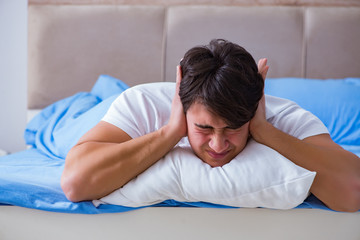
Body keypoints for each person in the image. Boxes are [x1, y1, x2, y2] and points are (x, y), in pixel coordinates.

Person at [61, 39, 360, 212]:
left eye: (233, 128)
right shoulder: (143, 103)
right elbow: (76, 183)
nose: (218, 146)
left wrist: (265, 132)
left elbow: (353, 190)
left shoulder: (284, 117)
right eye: (204, 128)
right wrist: (170, 133)